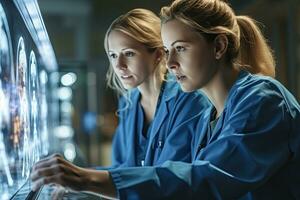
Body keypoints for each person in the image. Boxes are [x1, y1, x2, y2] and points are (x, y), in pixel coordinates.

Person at [31, 0, 300, 199]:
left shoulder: (264, 100)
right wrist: (79, 183)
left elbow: (205, 181)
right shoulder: (211, 116)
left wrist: (86, 177)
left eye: (180, 49)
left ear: (218, 47)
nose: (170, 63)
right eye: (168, 50)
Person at [103, 8, 210, 168]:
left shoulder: (188, 99)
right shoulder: (128, 103)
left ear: (159, 54)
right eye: (113, 55)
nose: (119, 65)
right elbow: (120, 168)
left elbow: (169, 177)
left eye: (129, 53)